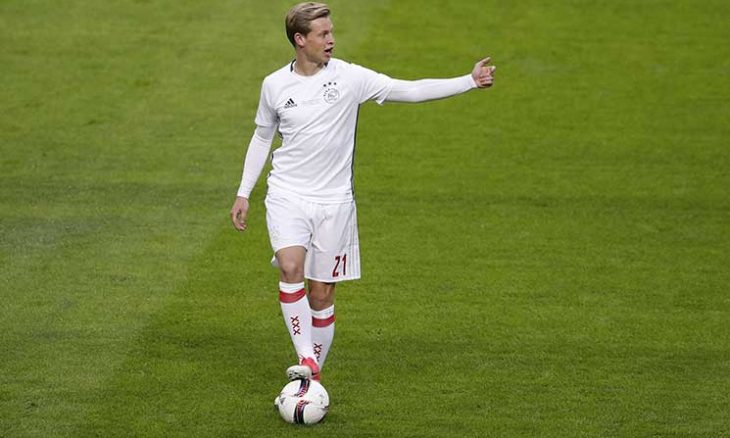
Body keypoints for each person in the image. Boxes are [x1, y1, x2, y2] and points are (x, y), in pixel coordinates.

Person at [230, 2, 495, 382]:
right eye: (323, 34)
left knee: (321, 295)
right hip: (287, 193)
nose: (332, 40)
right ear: (300, 40)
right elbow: (262, 137)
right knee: (290, 267)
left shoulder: (350, 78)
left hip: (335, 202)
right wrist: (244, 192)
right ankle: (306, 359)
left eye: (331, 32)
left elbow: (410, 90)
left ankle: (311, 377)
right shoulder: (274, 85)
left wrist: (468, 81)